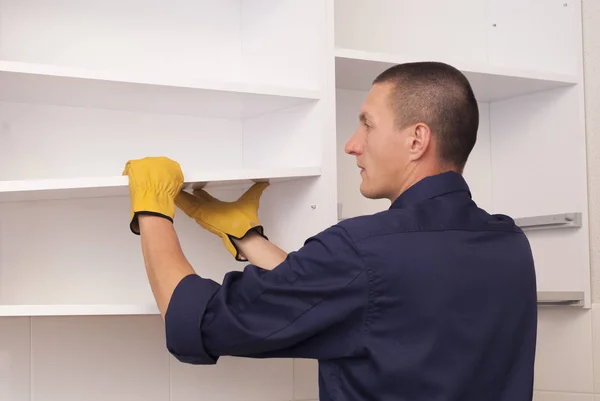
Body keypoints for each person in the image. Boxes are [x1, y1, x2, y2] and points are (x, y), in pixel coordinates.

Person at [122, 61, 537, 401]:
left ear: (417, 140)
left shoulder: (363, 251)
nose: (352, 144)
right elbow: (361, 301)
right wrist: (250, 240)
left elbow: (199, 319)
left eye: (368, 125)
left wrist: (153, 208)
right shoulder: (509, 244)